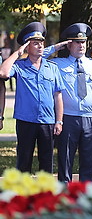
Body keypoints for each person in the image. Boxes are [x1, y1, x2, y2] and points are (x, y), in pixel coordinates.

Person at [50, 23, 92, 182]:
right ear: (69, 45)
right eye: (77, 42)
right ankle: (64, 191)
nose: (81, 45)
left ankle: (86, 192)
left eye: (83, 42)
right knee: (65, 158)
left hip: (90, 118)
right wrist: (55, 48)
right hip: (68, 117)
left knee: (88, 158)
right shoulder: (57, 64)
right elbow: (37, 58)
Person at [0, 22, 64, 173]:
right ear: (27, 47)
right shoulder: (19, 66)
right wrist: (17, 53)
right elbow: (2, 73)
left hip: (47, 121)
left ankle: (46, 195)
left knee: (47, 164)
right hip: (26, 121)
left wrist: (59, 121)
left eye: (42, 42)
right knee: (24, 162)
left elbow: (58, 95)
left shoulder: (52, 67)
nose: (40, 46)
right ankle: (22, 195)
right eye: (35, 43)